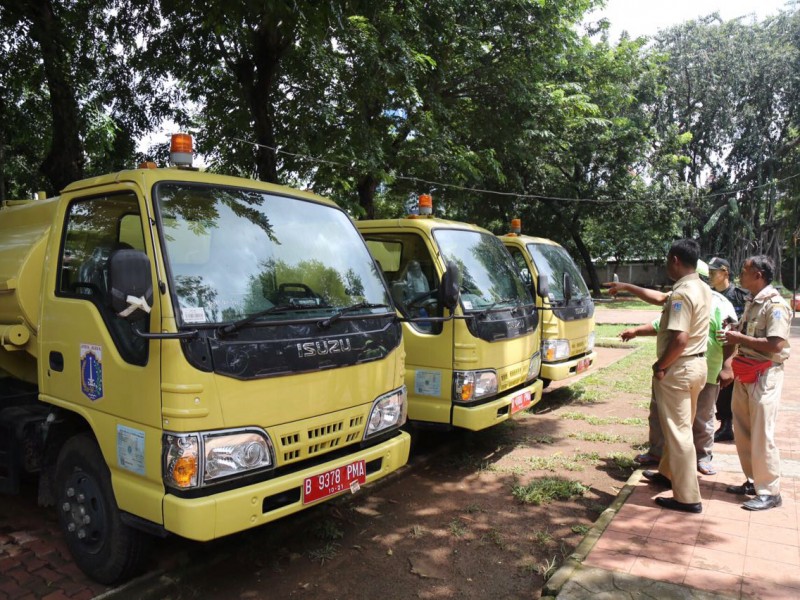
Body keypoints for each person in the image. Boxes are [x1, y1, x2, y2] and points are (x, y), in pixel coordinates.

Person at [609, 240, 710, 512]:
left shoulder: (681, 295)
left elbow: (679, 339)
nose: (666, 264)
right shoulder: (700, 287)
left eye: (667, 260)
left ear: (675, 259)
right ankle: (668, 473)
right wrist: (627, 287)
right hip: (696, 368)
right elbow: (659, 300)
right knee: (680, 427)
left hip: (679, 368)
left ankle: (688, 497)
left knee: (677, 433)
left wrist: (660, 366)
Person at [610, 263, 736, 477]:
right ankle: (662, 458)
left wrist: (727, 366)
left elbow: (728, 336)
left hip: (697, 367)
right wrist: (636, 329)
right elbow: (661, 317)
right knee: (662, 416)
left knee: (699, 419)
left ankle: (699, 459)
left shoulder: (717, 303)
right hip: (679, 367)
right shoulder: (687, 293)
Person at [718, 255, 791, 511]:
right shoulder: (752, 301)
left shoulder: (776, 305)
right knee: (744, 429)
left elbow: (775, 344)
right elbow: (749, 331)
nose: (740, 274)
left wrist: (738, 337)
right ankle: (752, 481)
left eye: (745, 270)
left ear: (758, 275)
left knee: (762, 432)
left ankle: (770, 491)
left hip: (765, 373)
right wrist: (735, 329)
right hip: (746, 371)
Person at [707, 257, 748, 442]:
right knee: (722, 390)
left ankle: (741, 426)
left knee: (740, 391)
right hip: (717, 350)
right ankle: (725, 425)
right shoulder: (709, 296)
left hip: (741, 350)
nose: (710, 276)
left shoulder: (741, 295)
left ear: (725, 272)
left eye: (713, 272)